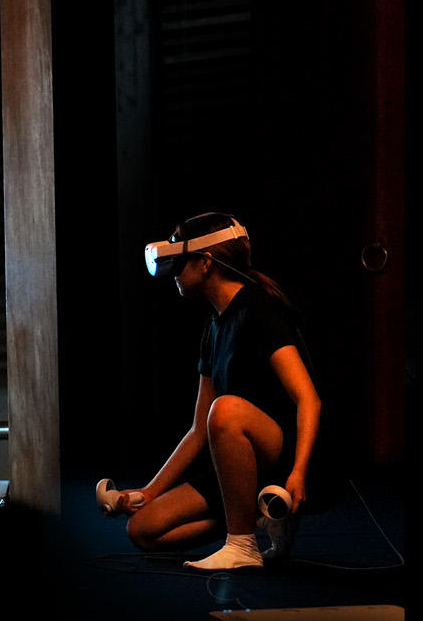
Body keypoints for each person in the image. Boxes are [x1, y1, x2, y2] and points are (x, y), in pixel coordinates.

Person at [107, 213, 321, 571]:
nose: (174, 273)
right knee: (143, 531)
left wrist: (298, 472)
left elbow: (308, 398)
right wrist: (148, 492)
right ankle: (255, 518)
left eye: (180, 262)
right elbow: (198, 431)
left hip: (280, 457)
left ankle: (242, 545)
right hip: (237, 466)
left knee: (224, 409)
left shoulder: (258, 309)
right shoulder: (213, 328)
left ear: (206, 263)